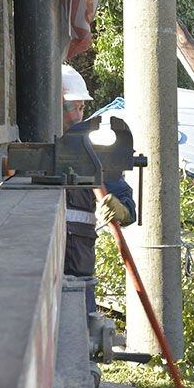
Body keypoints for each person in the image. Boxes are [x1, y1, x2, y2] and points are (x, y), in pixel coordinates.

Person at [62, 64, 136, 314]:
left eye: (80, 107)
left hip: (80, 273)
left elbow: (128, 208)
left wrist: (121, 210)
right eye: (69, 107)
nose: (76, 117)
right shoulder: (28, 148)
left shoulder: (92, 154)